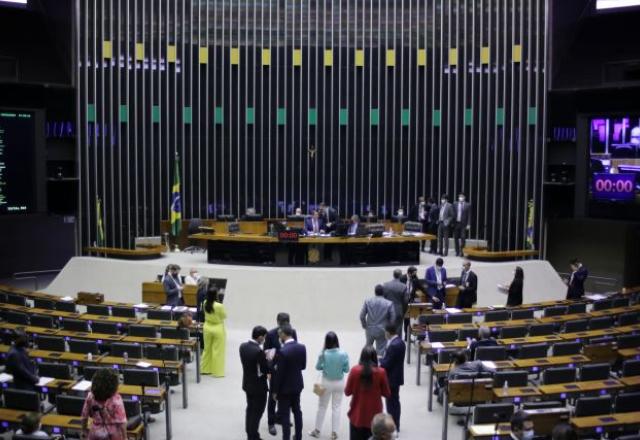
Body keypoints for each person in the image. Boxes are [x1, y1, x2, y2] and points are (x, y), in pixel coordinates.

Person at [309, 332, 350, 440]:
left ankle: (317, 431)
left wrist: (325, 365)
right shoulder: (343, 353)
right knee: (336, 407)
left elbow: (318, 367)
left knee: (322, 406)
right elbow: (346, 369)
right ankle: (334, 433)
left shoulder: (324, 353)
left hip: (326, 382)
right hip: (339, 383)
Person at [344, 346, 391, 440]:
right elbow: (387, 393)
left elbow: (347, 392)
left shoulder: (354, 371)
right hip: (375, 419)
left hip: (357, 416)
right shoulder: (381, 372)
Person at [265, 313, 299, 436]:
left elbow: (294, 348)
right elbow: (267, 353)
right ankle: (271, 422)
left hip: (288, 370)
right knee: (273, 397)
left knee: (285, 395)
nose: (285, 325)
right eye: (282, 323)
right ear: (278, 322)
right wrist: (268, 371)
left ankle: (280, 417)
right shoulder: (270, 334)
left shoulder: (292, 332)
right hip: (275, 370)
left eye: (287, 323)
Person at [271, 324, 307, 440]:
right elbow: (303, 366)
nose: (279, 336)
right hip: (297, 385)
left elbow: (279, 375)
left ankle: (286, 437)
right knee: (297, 411)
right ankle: (298, 436)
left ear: (284, 335)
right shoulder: (302, 347)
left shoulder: (282, 352)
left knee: (285, 415)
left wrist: (275, 391)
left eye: (280, 334)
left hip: (284, 389)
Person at [240, 325, 270, 440]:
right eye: (264, 338)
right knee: (257, 412)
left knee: (250, 408)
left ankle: (250, 433)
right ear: (260, 337)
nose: (264, 340)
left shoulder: (242, 346)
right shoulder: (259, 351)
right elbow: (265, 370)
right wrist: (268, 360)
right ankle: (253, 436)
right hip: (259, 388)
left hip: (247, 383)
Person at [81, 368, 127, 440]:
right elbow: (122, 422)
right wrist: (125, 438)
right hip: (113, 435)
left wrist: (83, 430)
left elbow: (84, 415)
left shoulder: (90, 396)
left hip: (95, 433)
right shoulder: (116, 399)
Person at [379, 325, 406, 434]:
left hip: (391, 379)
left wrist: (380, 362)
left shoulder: (393, 346)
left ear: (388, 332)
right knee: (395, 402)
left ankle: (394, 427)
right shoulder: (400, 342)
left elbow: (387, 364)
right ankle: (396, 425)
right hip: (397, 376)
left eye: (385, 332)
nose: (384, 334)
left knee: (391, 404)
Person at [359, 285, 396, 356]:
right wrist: (389, 330)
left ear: (375, 292)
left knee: (368, 349)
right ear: (383, 292)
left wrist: (365, 325)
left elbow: (362, 316)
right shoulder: (389, 303)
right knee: (381, 352)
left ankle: (367, 364)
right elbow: (393, 318)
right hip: (383, 330)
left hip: (370, 329)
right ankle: (378, 365)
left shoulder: (368, 301)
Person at [201, 286, 227, 376]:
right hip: (217, 328)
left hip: (207, 327)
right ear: (216, 295)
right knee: (217, 351)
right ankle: (217, 372)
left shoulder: (204, 303)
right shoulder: (219, 306)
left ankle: (205, 369)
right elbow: (224, 316)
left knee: (206, 349)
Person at [382, 269, 408, 338]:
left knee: (387, 330)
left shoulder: (385, 285)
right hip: (398, 311)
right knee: (398, 332)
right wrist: (403, 312)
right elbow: (406, 301)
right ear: (400, 275)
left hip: (387, 311)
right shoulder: (403, 286)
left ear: (393, 275)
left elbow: (382, 299)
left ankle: (387, 346)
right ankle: (396, 346)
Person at [453, 193, 471, 257]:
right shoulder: (455, 204)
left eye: (462, 196)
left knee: (463, 238)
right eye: (459, 196)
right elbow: (453, 213)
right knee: (456, 238)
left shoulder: (468, 205)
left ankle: (462, 251)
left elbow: (469, 215)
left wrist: (468, 224)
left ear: (464, 197)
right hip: (456, 223)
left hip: (463, 224)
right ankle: (457, 251)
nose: (460, 197)